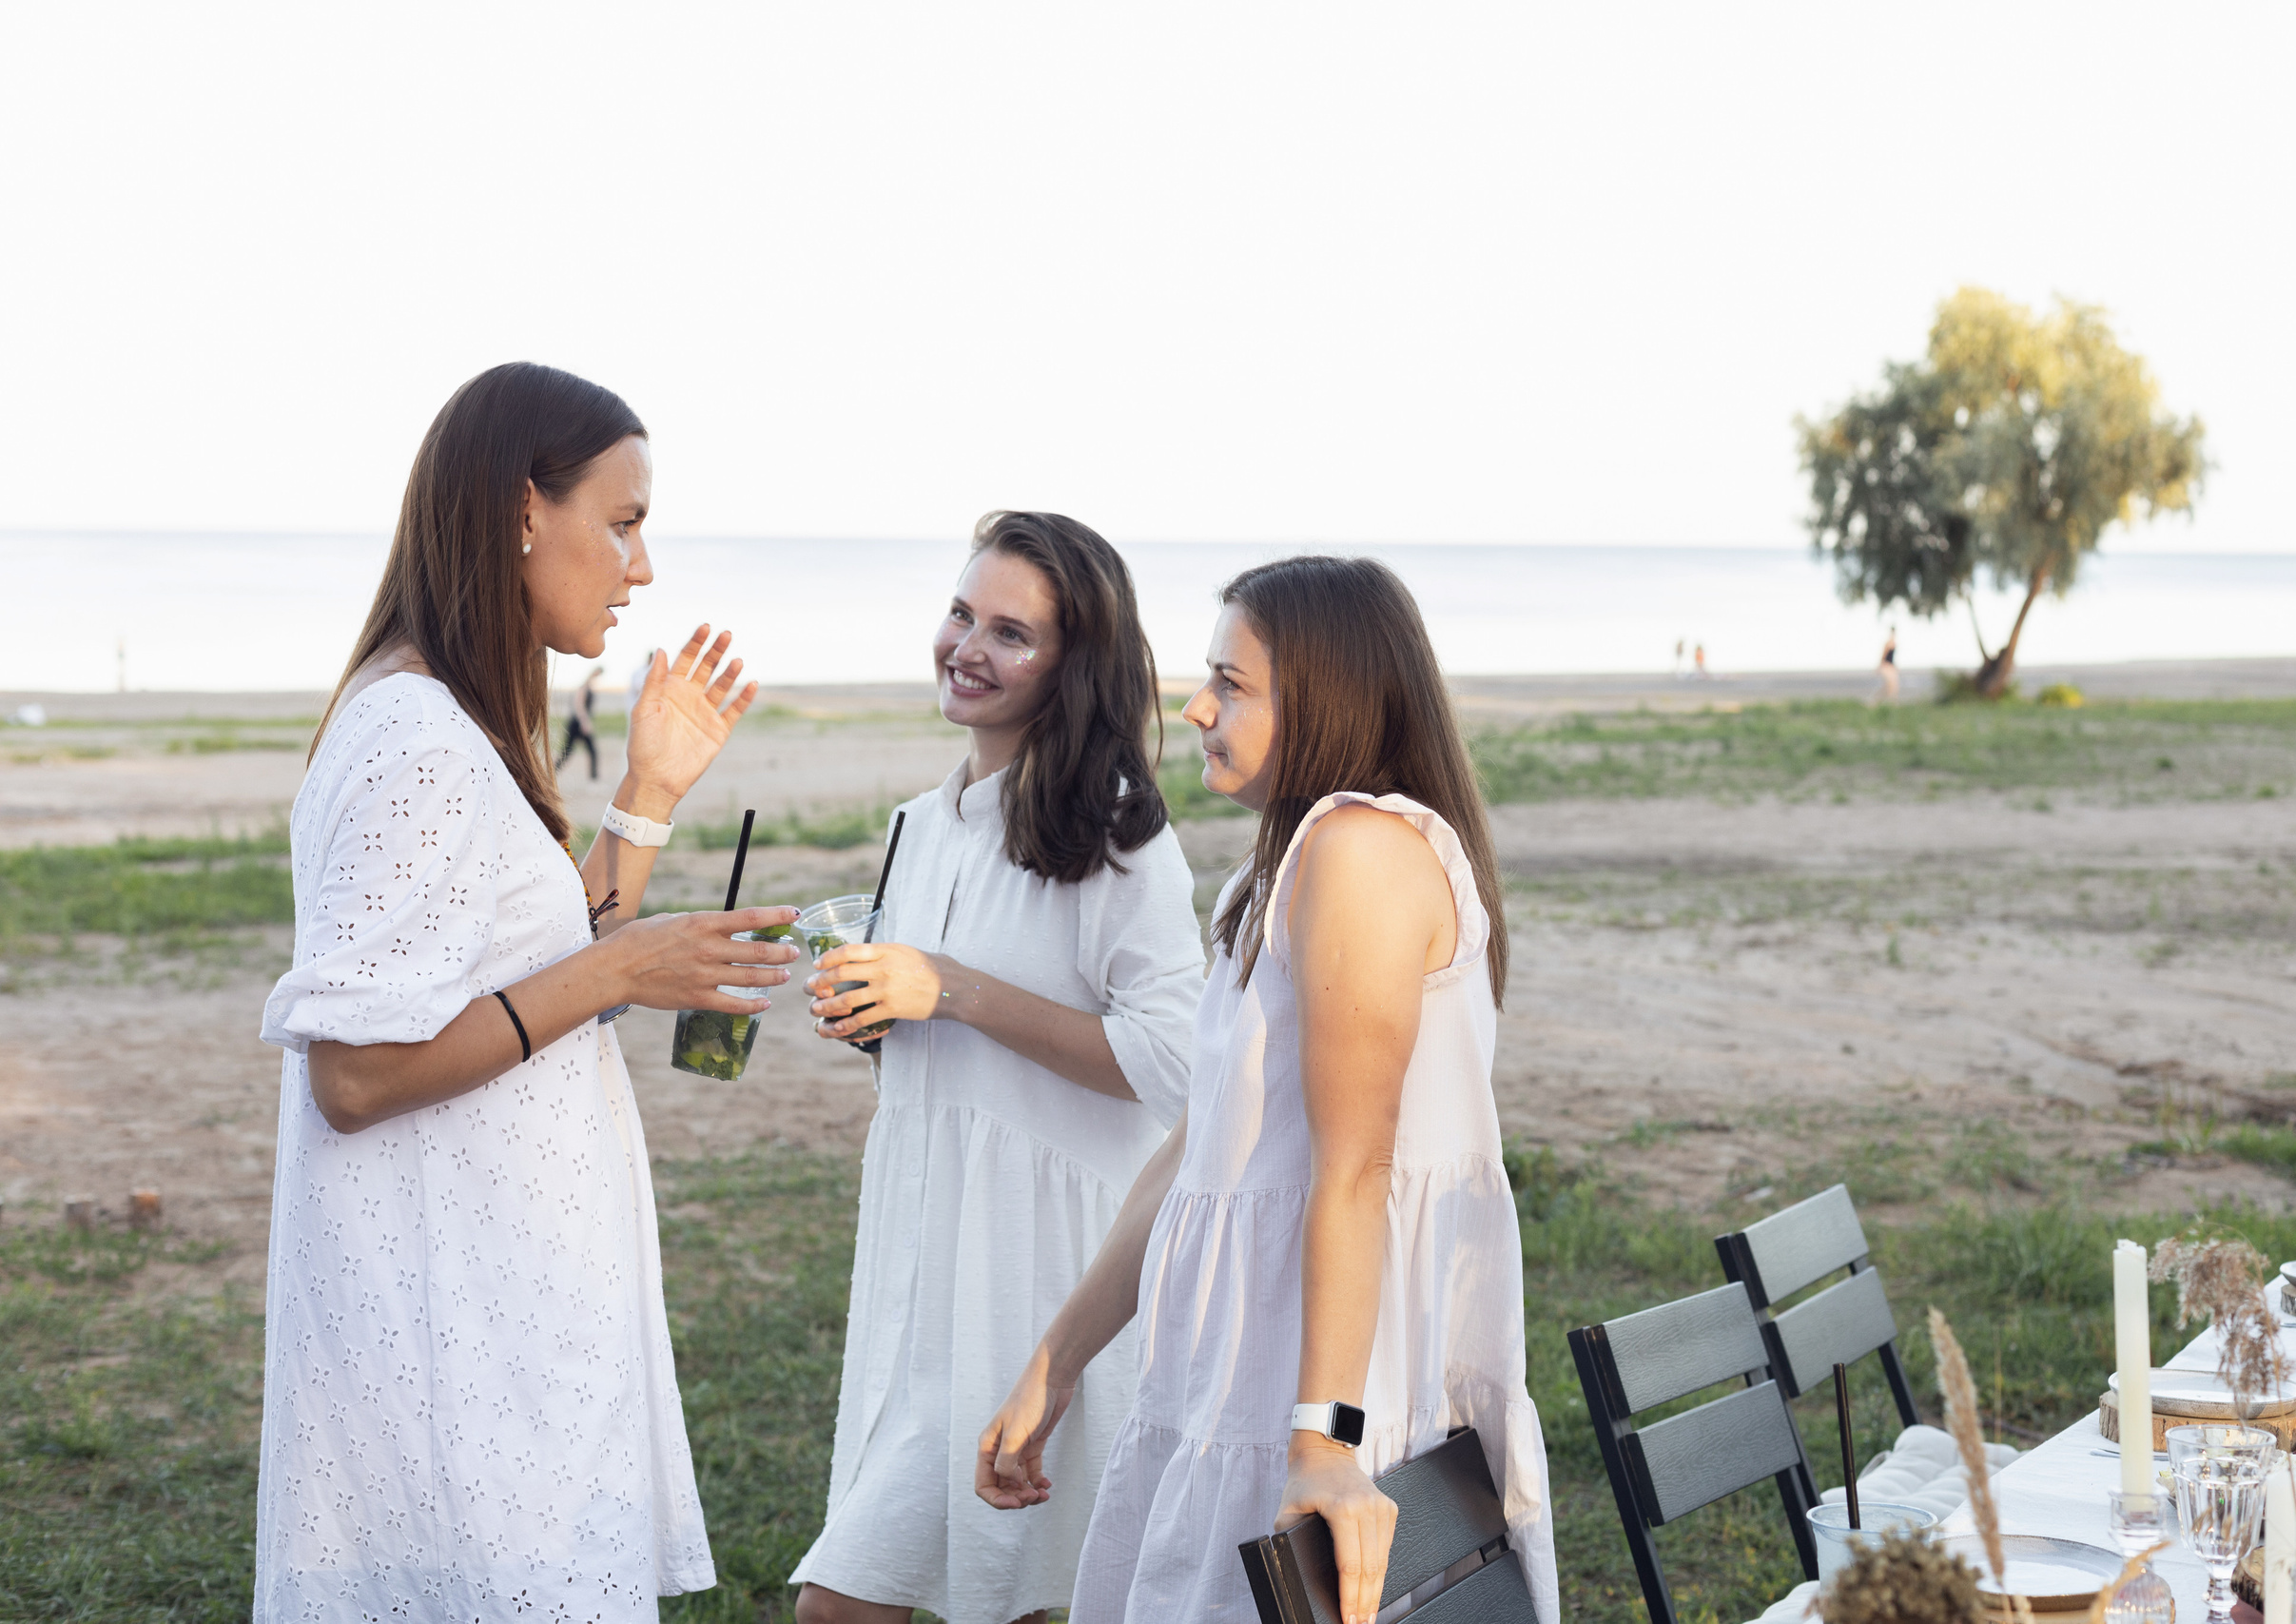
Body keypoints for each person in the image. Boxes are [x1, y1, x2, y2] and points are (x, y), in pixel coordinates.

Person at [254, 362, 801, 1622]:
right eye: (623, 522)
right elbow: (356, 1072)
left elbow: (526, 968)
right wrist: (625, 966)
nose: (642, 567)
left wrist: (648, 792)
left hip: (504, 1304)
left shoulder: (447, 718)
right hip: (458, 1339)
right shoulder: (417, 740)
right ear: (520, 511)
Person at [976, 556, 1558, 1624]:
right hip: (1241, 1372)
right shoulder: (1271, 876)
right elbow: (1198, 1155)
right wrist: (1056, 1365)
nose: (1196, 708)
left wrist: (1324, 1442)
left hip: (1322, 1382)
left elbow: (1357, 1167)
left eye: (1230, 684)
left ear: (1329, 700)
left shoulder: (1360, 852)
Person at [789, 512, 1205, 1624]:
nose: (966, 648)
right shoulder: (917, 827)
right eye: (961, 614)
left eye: (1010, 633)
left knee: (848, 1607)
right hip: (921, 1257)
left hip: (1038, 1272)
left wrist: (952, 989)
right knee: (1002, 1601)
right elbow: (940, 1047)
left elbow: (1178, 1062)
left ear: (1074, 665)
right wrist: (881, 1023)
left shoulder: (1118, 837)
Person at [557, 661, 605, 777]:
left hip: (579, 722)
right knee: (570, 751)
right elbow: (579, 705)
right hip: (577, 723)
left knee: (574, 751)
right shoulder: (584, 687)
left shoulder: (588, 686)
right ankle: (553, 770)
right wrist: (585, 723)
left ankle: (593, 777)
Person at [1877, 629, 1900, 703]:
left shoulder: (1894, 643)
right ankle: (1878, 701)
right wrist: (1880, 666)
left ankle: (1891, 701)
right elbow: (1884, 655)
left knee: (1894, 686)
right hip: (1886, 666)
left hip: (1891, 666)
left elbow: (1892, 657)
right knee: (1889, 685)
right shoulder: (1888, 643)